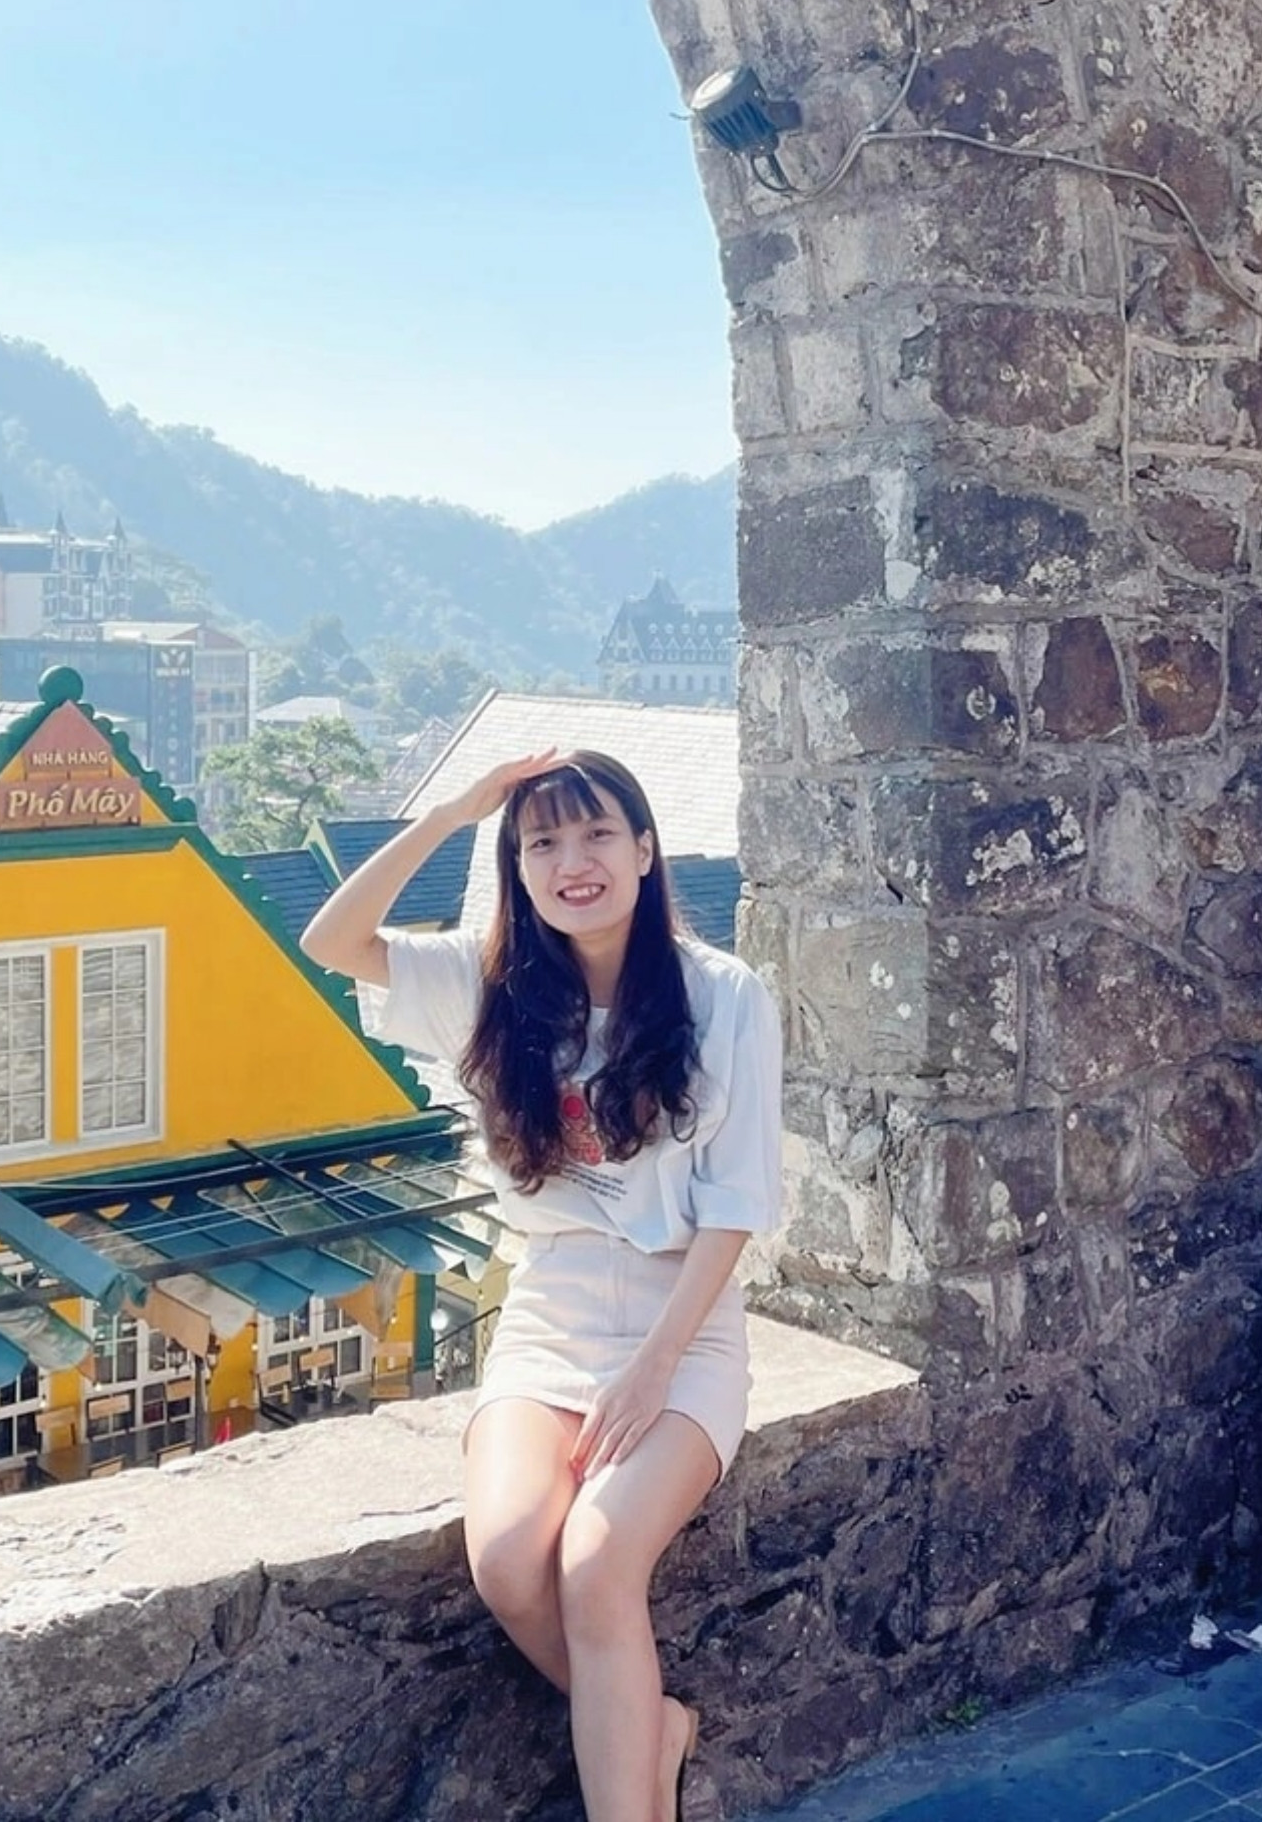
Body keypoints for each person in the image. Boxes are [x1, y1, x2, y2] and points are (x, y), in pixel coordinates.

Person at [301, 749, 783, 1822]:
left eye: (598, 833)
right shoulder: (493, 989)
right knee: (513, 1561)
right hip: (549, 1314)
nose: (574, 862)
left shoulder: (722, 995)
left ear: (646, 849)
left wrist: (654, 1369)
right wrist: (451, 812)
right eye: (543, 842)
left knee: (599, 1561)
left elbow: (738, 1204)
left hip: (682, 1326)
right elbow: (330, 941)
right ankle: (652, 1728)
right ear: (516, 868)